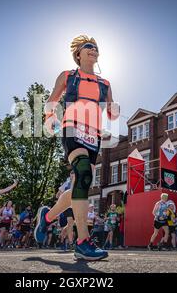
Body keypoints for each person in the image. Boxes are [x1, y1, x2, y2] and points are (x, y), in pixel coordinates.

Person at [35, 35, 119, 261]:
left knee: (80, 186)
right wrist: (49, 116)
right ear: (78, 54)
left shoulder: (105, 83)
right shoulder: (67, 76)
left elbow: (111, 111)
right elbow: (52, 100)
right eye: (88, 47)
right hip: (71, 127)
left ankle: (48, 217)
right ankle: (83, 241)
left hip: (94, 135)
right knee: (82, 173)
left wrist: (114, 110)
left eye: (96, 48)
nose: (93, 50)